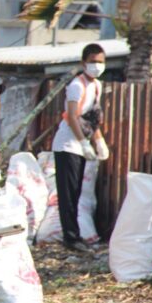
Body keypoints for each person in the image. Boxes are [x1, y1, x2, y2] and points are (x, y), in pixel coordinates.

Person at [52, 43, 109, 253]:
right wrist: (84, 143)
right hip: (68, 144)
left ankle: (75, 236)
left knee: (76, 192)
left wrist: (98, 140)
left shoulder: (97, 85)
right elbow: (72, 116)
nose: (97, 66)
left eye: (101, 62)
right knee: (68, 194)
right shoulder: (76, 85)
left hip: (82, 144)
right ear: (83, 63)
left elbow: (92, 117)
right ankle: (71, 237)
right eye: (93, 61)